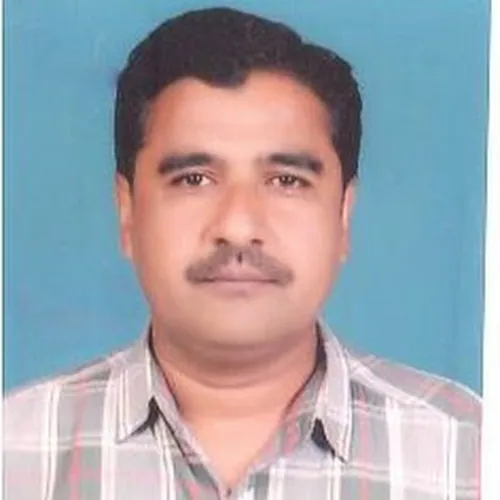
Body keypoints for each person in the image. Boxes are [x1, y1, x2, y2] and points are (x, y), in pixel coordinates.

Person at [3, 7, 480, 499]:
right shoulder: (15, 451)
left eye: (286, 180)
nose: (237, 227)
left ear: (343, 215)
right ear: (127, 211)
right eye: (194, 179)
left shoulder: (469, 453)